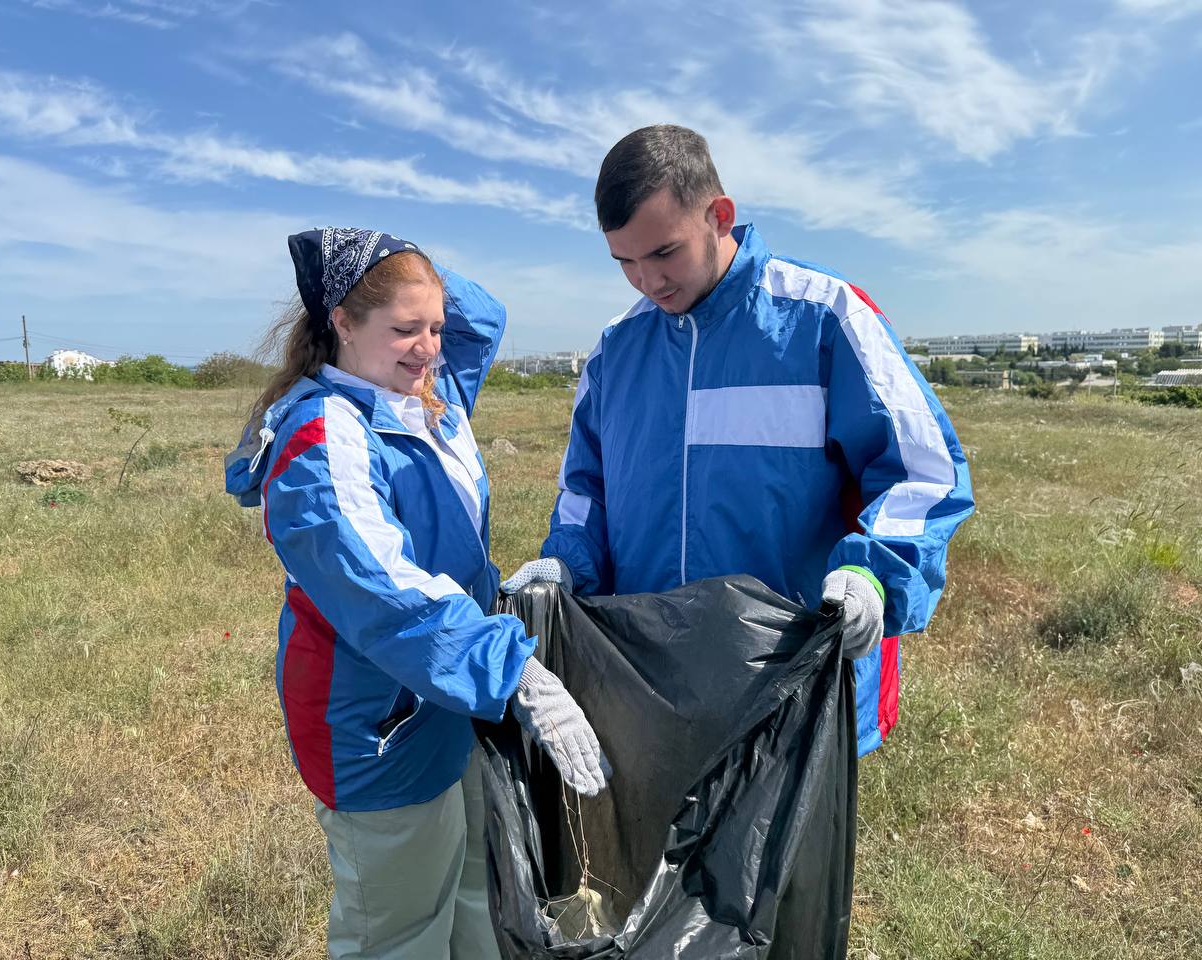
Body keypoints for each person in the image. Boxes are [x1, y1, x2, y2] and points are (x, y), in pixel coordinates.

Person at [503, 125, 975, 756]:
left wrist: (873, 577)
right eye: (625, 263)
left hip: (792, 686)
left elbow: (924, 472)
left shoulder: (824, 317)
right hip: (649, 684)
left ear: (719, 215)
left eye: (665, 252)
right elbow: (587, 493)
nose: (647, 281)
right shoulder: (616, 353)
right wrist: (565, 560)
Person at [225, 227, 609, 959]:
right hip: (378, 720)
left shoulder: (424, 397)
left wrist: (391, 258)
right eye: (404, 329)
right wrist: (512, 669)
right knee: (399, 933)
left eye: (434, 326)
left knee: (474, 890)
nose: (430, 347)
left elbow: (481, 316)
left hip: (449, 695)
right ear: (339, 321)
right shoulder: (320, 438)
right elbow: (382, 589)